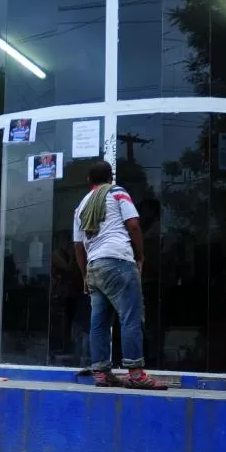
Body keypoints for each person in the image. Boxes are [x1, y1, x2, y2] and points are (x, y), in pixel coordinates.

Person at [73, 160, 166, 390]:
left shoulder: (82, 205)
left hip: (94, 266)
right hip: (118, 261)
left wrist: (85, 274)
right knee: (131, 316)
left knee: (100, 323)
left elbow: (77, 246)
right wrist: (141, 256)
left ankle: (102, 374)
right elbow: (133, 225)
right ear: (110, 178)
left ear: (89, 182)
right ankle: (135, 373)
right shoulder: (117, 192)